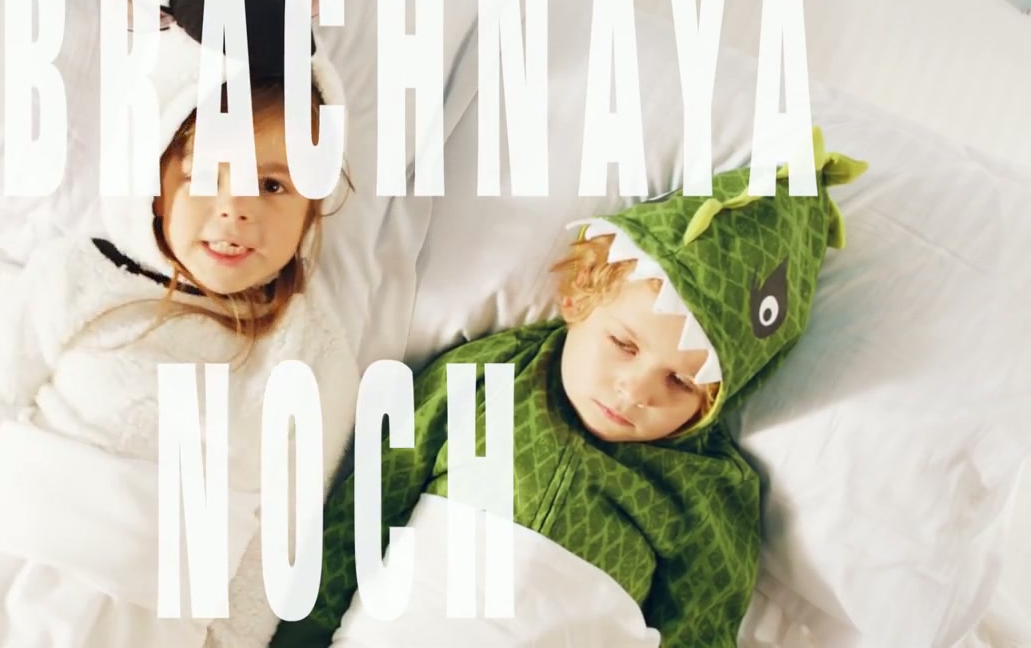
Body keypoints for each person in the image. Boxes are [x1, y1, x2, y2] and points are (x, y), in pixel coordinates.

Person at [0, 0, 361, 648]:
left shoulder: (309, 348)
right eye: (208, 175)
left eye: (272, 184)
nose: (237, 210)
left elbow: (276, 546)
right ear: (154, 181)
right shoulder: (77, 280)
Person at [270, 128, 868, 647]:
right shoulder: (487, 378)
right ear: (580, 296)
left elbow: (700, 633)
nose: (635, 390)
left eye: (680, 381)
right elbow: (367, 508)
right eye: (624, 345)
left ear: (715, 400)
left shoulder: (707, 492)